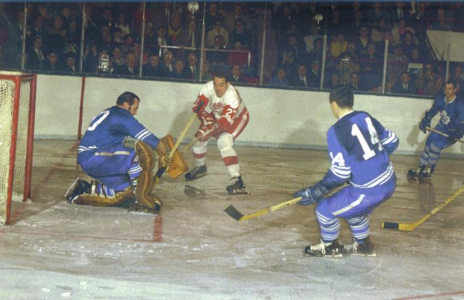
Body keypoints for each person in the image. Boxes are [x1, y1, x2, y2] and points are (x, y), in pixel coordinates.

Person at [294, 86, 399, 257]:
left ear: (333, 105)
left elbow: (340, 173)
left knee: (324, 209)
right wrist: (374, 162)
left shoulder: (335, 131)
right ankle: (363, 245)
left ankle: (329, 246)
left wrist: (316, 191)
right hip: (389, 181)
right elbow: (393, 141)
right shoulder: (364, 116)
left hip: (369, 190)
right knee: (353, 210)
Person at [64, 92, 172, 214]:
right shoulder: (121, 116)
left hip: (92, 159)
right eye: (135, 109)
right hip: (94, 156)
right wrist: (165, 153)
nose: (135, 113)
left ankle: (83, 190)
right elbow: (146, 136)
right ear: (126, 105)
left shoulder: (112, 112)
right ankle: (140, 199)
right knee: (138, 157)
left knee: (125, 193)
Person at [185, 72, 250, 194]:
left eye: (221, 85)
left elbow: (225, 123)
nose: (217, 88)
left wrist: (208, 129)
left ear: (228, 84)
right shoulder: (207, 88)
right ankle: (200, 167)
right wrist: (206, 120)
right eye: (215, 84)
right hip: (217, 116)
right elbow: (197, 108)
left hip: (237, 119)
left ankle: (237, 181)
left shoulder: (232, 96)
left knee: (223, 142)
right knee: (198, 139)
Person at [407, 80, 464, 179]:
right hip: (441, 126)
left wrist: (457, 134)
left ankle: (429, 170)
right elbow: (433, 110)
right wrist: (426, 120)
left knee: (435, 147)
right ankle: (420, 168)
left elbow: (462, 123)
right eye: (446, 88)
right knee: (428, 145)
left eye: (450, 89)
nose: (447, 91)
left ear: (455, 90)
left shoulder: (460, 105)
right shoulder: (440, 98)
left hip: (452, 132)